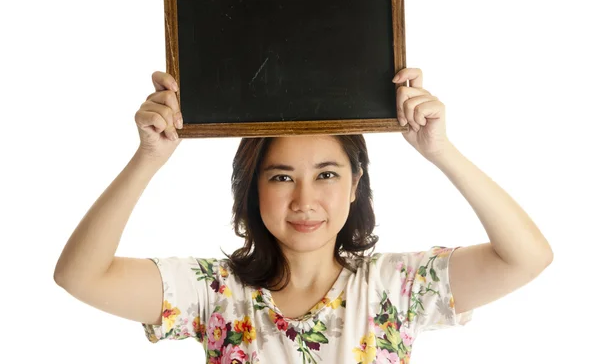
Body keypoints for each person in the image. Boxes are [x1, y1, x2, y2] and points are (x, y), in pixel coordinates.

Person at [54, 67, 553, 363]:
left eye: (328, 175)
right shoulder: (214, 293)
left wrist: (441, 150)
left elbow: (526, 258)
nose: (304, 200)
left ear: (356, 184)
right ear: (253, 188)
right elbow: (81, 276)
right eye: (281, 176)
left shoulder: (394, 288)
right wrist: (148, 158)